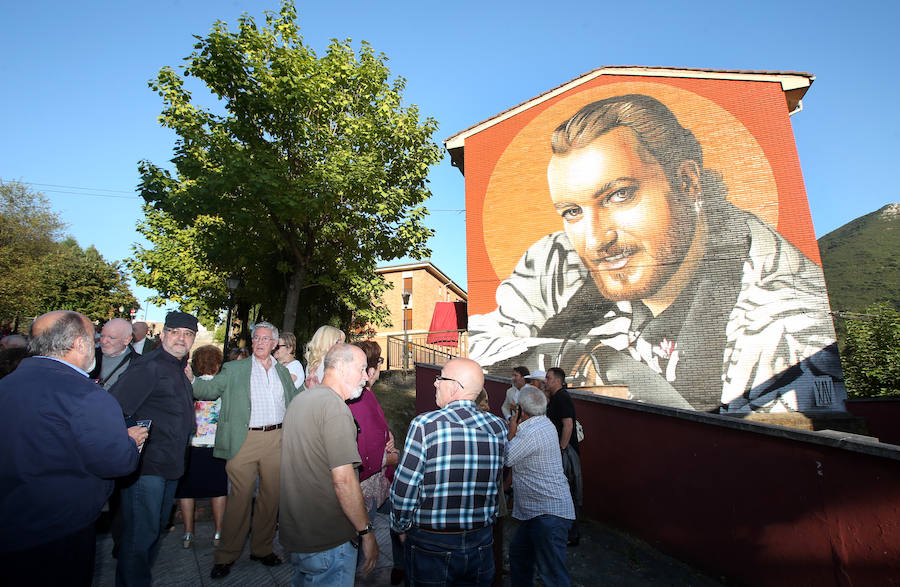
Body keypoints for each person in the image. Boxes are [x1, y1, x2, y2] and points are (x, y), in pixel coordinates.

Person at [467, 93, 843, 414]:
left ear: (687, 182)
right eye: (572, 211)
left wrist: (610, 367)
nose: (596, 240)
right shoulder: (559, 258)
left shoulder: (785, 330)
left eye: (619, 195)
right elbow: (482, 349)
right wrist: (590, 357)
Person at [0, 311, 146, 586]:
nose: (98, 344)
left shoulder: (7, 384)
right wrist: (130, 441)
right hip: (59, 531)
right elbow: (117, 463)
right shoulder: (87, 395)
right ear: (80, 344)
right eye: (95, 338)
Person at [190, 321, 298, 579]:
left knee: (271, 498)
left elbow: (294, 400)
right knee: (239, 498)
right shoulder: (235, 368)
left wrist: (311, 387)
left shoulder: (282, 372)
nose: (259, 342)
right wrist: (190, 379)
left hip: (277, 438)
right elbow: (209, 390)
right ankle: (226, 556)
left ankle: (262, 549)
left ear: (274, 344)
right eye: (256, 338)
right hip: (244, 439)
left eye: (265, 339)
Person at [391, 358, 508, 586]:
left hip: (432, 544)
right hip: (482, 542)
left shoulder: (424, 425)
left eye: (440, 378)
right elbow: (495, 483)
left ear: (454, 386)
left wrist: (400, 527)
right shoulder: (498, 428)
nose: (435, 383)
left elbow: (405, 488)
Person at [111, 311, 199, 587]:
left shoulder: (179, 368)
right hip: (147, 467)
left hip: (170, 464)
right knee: (140, 536)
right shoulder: (149, 366)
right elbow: (114, 408)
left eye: (188, 334)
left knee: (152, 531)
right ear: (163, 335)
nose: (181, 338)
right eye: (175, 332)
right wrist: (130, 436)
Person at [280, 344, 379, 586]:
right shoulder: (336, 409)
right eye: (362, 369)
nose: (366, 377)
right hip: (328, 537)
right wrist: (366, 532)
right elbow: (344, 481)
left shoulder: (301, 399)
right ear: (342, 367)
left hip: (300, 531)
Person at [506, 385, 575, 586]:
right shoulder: (545, 424)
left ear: (521, 410)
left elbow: (507, 457)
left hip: (548, 513)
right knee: (519, 556)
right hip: (539, 512)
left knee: (552, 575)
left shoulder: (531, 432)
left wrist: (511, 432)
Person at [177, 345, 228, 550]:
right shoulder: (222, 387)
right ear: (217, 364)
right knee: (218, 490)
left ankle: (188, 532)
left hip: (190, 445)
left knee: (186, 491)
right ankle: (219, 532)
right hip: (215, 445)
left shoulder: (188, 385)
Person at [544, 367, 582, 546]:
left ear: (558, 381)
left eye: (548, 378)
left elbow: (568, 425)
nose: (545, 381)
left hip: (566, 452)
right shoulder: (555, 398)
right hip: (562, 450)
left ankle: (572, 533)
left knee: (569, 492)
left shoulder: (562, 398)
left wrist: (561, 449)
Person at [89, 317, 138, 390]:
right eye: (102, 336)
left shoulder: (138, 365)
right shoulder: (89, 356)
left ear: (127, 340)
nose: (104, 341)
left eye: (111, 337)